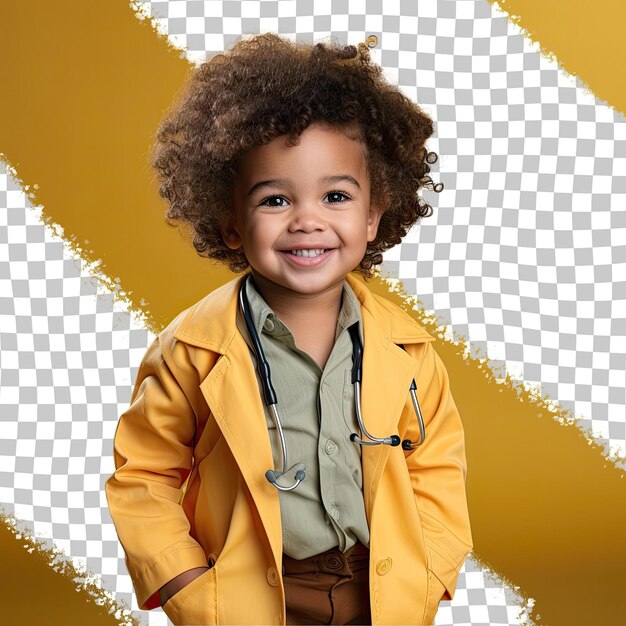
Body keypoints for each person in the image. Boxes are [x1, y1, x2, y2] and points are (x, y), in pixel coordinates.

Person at [105, 32, 473, 626]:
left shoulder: (409, 353)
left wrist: (430, 571)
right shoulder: (191, 352)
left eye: (335, 195)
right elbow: (144, 473)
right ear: (229, 221)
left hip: (376, 589)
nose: (307, 220)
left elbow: (434, 467)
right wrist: (182, 580)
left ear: (375, 214)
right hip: (253, 593)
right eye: (275, 200)